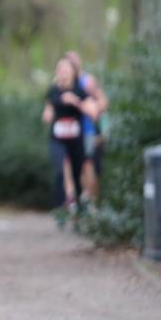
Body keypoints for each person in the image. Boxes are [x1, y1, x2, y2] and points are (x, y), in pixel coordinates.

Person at [42, 57, 100, 224]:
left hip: (76, 140)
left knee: (76, 174)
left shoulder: (80, 91)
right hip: (57, 139)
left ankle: (79, 208)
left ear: (73, 72)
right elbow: (48, 111)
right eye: (60, 69)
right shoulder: (53, 90)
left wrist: (76, 102)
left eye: (66, 69)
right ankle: (60, 208)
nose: (63, 72)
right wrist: (47, 115)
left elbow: (93, 113)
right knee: (60, 170)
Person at [63, 51, 108, 206]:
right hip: (68, 134)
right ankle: (76, 200)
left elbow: (103, 102)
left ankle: (92, 202)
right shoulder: (60, 82)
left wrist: (90, 109)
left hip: (86, 130)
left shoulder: (87, 81)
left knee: (87, 165)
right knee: (70, 167)